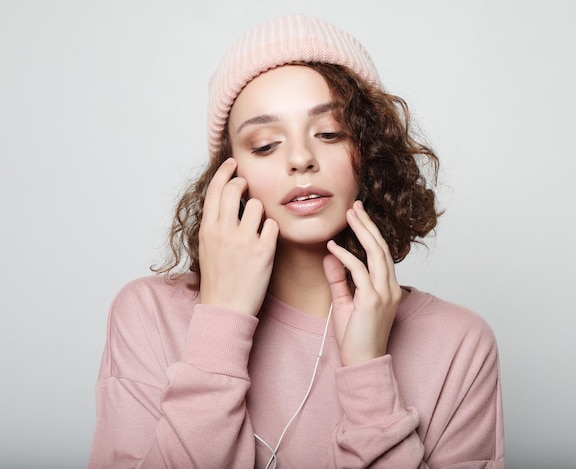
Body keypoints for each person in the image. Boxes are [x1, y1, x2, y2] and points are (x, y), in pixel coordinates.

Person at [88, 14, 505, 469]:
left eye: (329, 133)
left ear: (370, 152)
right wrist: (221, 324)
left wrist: (367, 375)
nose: (301, 158)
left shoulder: (459, 344)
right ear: (228, 175)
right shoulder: (148, 316)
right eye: (265, 144)